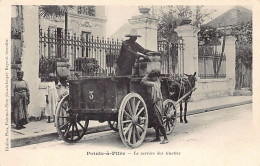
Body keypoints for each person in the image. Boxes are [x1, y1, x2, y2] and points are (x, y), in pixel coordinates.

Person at [141, 69, 169, 144]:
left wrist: (148, 75)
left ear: (156, 77)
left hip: (158, 103)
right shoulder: (156, 82)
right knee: (155, 120)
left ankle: (166, 138)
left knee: (159, 120)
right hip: (155, 102)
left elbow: (143, 81)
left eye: (152, 77)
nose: (151, 78)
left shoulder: (155, 84)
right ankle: (157, 137)